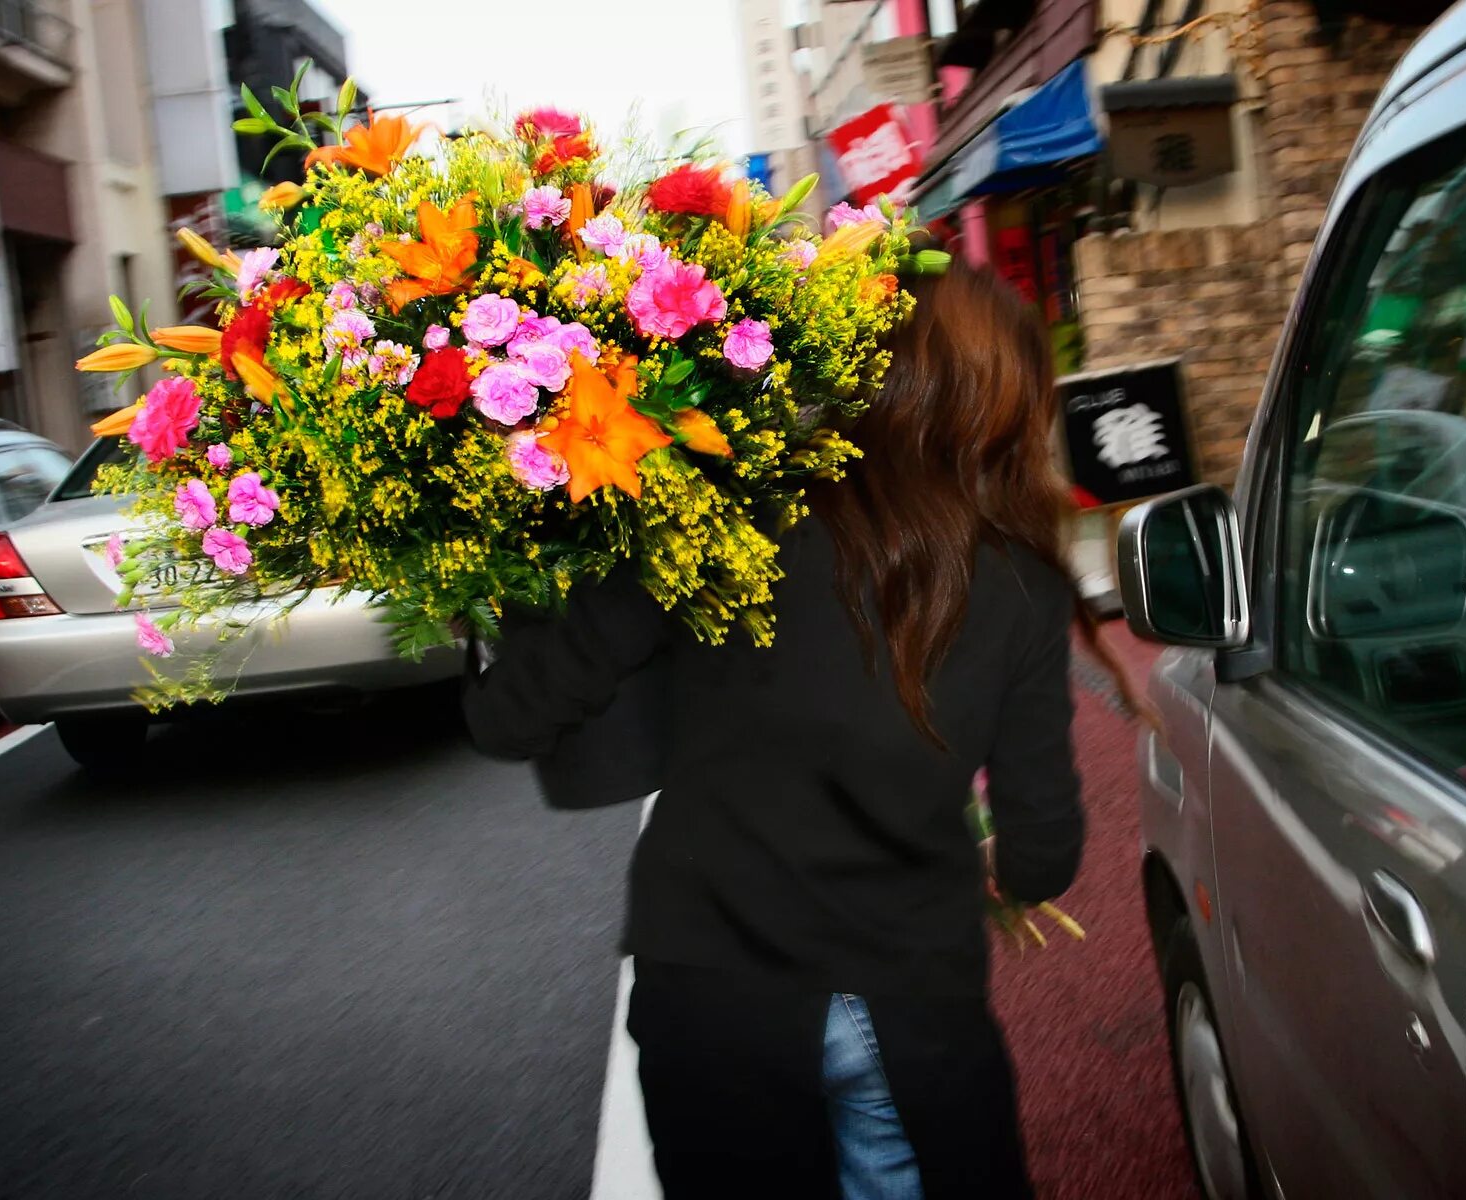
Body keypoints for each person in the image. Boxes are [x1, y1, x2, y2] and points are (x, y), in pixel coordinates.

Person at [463, 264, 1109, 1199]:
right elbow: (1044, 843)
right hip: (911, 990)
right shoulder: (1023, 583)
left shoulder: (731, 525)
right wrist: (1002, 865)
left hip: (714, 984)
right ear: (1010, 406)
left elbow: (512, 717)